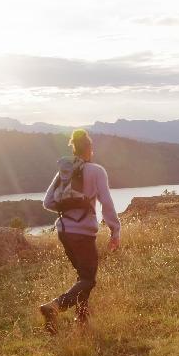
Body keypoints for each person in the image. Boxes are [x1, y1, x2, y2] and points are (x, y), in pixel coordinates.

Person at [39, 128, 120, 333]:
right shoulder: (96, 171)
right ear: (90, 149)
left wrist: (68, 206)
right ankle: (55, 306)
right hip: (83, 234)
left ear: (74, 149)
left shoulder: (64, 173)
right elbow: (107, 203)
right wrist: (115, 230)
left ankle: (82, 320)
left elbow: (47, 202)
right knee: (88, 279)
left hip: (64, 232)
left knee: (82, 277)